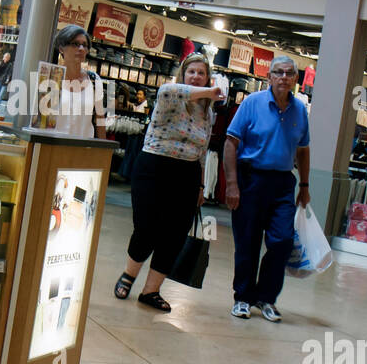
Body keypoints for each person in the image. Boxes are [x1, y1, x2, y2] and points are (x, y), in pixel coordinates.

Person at [114, 53, 224, 311]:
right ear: (183, 75)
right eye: (192, 72)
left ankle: (151, 291)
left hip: (186, 173)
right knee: (146, 228)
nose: (196, 76)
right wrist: (209, 90)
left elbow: (202, 150)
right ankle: (128, 275)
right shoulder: (170, 97)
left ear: (207, 76)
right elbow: (166, 90)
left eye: (201, 73)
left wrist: (199, 186)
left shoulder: (207, 113)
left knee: (174, 235)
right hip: (154, 167)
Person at [223, 54, 310, 322]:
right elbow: (230, 143)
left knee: (282, 241)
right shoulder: (252, 103)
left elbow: (303, 151)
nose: (283, 77)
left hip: (283, 183)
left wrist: (304, 185)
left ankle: (266, 298)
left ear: (296, 79)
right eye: (278, 72)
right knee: (247, 242)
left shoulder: (300, 110)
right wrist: (232, 184)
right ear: (269, 77)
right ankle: (242, 298)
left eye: (289, 73)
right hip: (251, 180)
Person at [49, 25, 106, 138]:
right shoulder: (50, 78)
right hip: (53, 148)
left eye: (84, 45)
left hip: (83, 149)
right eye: (75, 44)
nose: (81, 49)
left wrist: (102, 151)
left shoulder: (94, 80)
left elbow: (100, 120)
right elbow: (40, 121)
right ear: (61, 48)